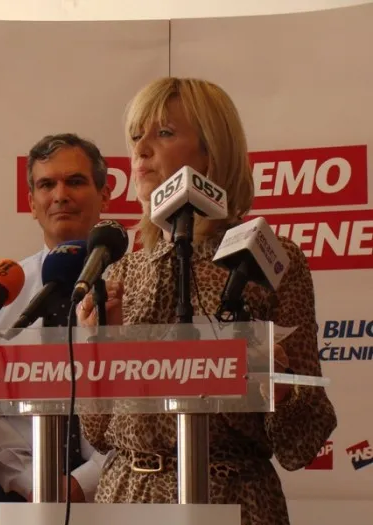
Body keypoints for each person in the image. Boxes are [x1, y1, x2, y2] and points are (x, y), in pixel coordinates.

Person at [75, 77, 337, 525]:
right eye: (136, 136)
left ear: (211, 152)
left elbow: (302, 442)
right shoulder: (120, 273)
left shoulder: (270, 260)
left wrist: (279, 385)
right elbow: (98, 433)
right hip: (126, 495)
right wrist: (99, 344)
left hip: (231, 496)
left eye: (164, 133)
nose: (141, 151)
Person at [0, 133, 110, 524]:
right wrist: (31, 480)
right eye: (46, 184)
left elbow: (149, 402)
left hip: (118, 492)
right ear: (31, 203)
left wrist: (85, 481)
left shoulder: (138, 285)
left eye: (75, 181)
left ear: (104, 194)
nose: (60, 195)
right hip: (21, 496)